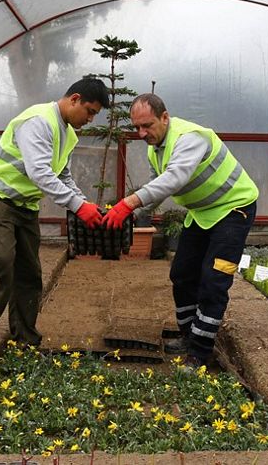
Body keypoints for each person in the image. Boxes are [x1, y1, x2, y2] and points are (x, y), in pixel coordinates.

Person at [104, 93, 258, 367]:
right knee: (182, 273)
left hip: (234, 209)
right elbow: (158, 186)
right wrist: (136, 215)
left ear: (165, 117)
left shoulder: (190, 137)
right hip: (202, 213)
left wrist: (128, 203)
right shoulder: (155, 148)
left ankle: (200, 352)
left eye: (147, 125)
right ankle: (189, 335)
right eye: (136, 127)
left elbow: (175, 178)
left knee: (214, 280)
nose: (141, 133)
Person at [0, 78, 110, 356]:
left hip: (25, 204)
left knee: (30, 271)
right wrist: (78, 207)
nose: (90, 119)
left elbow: (62, 175)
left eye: (95, 115)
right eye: (90, 111)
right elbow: (40, 173)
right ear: (74, 99)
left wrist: (84, 202)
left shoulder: (68, 133)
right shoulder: (38, 121)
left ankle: (25, 338)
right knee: (2, 260)